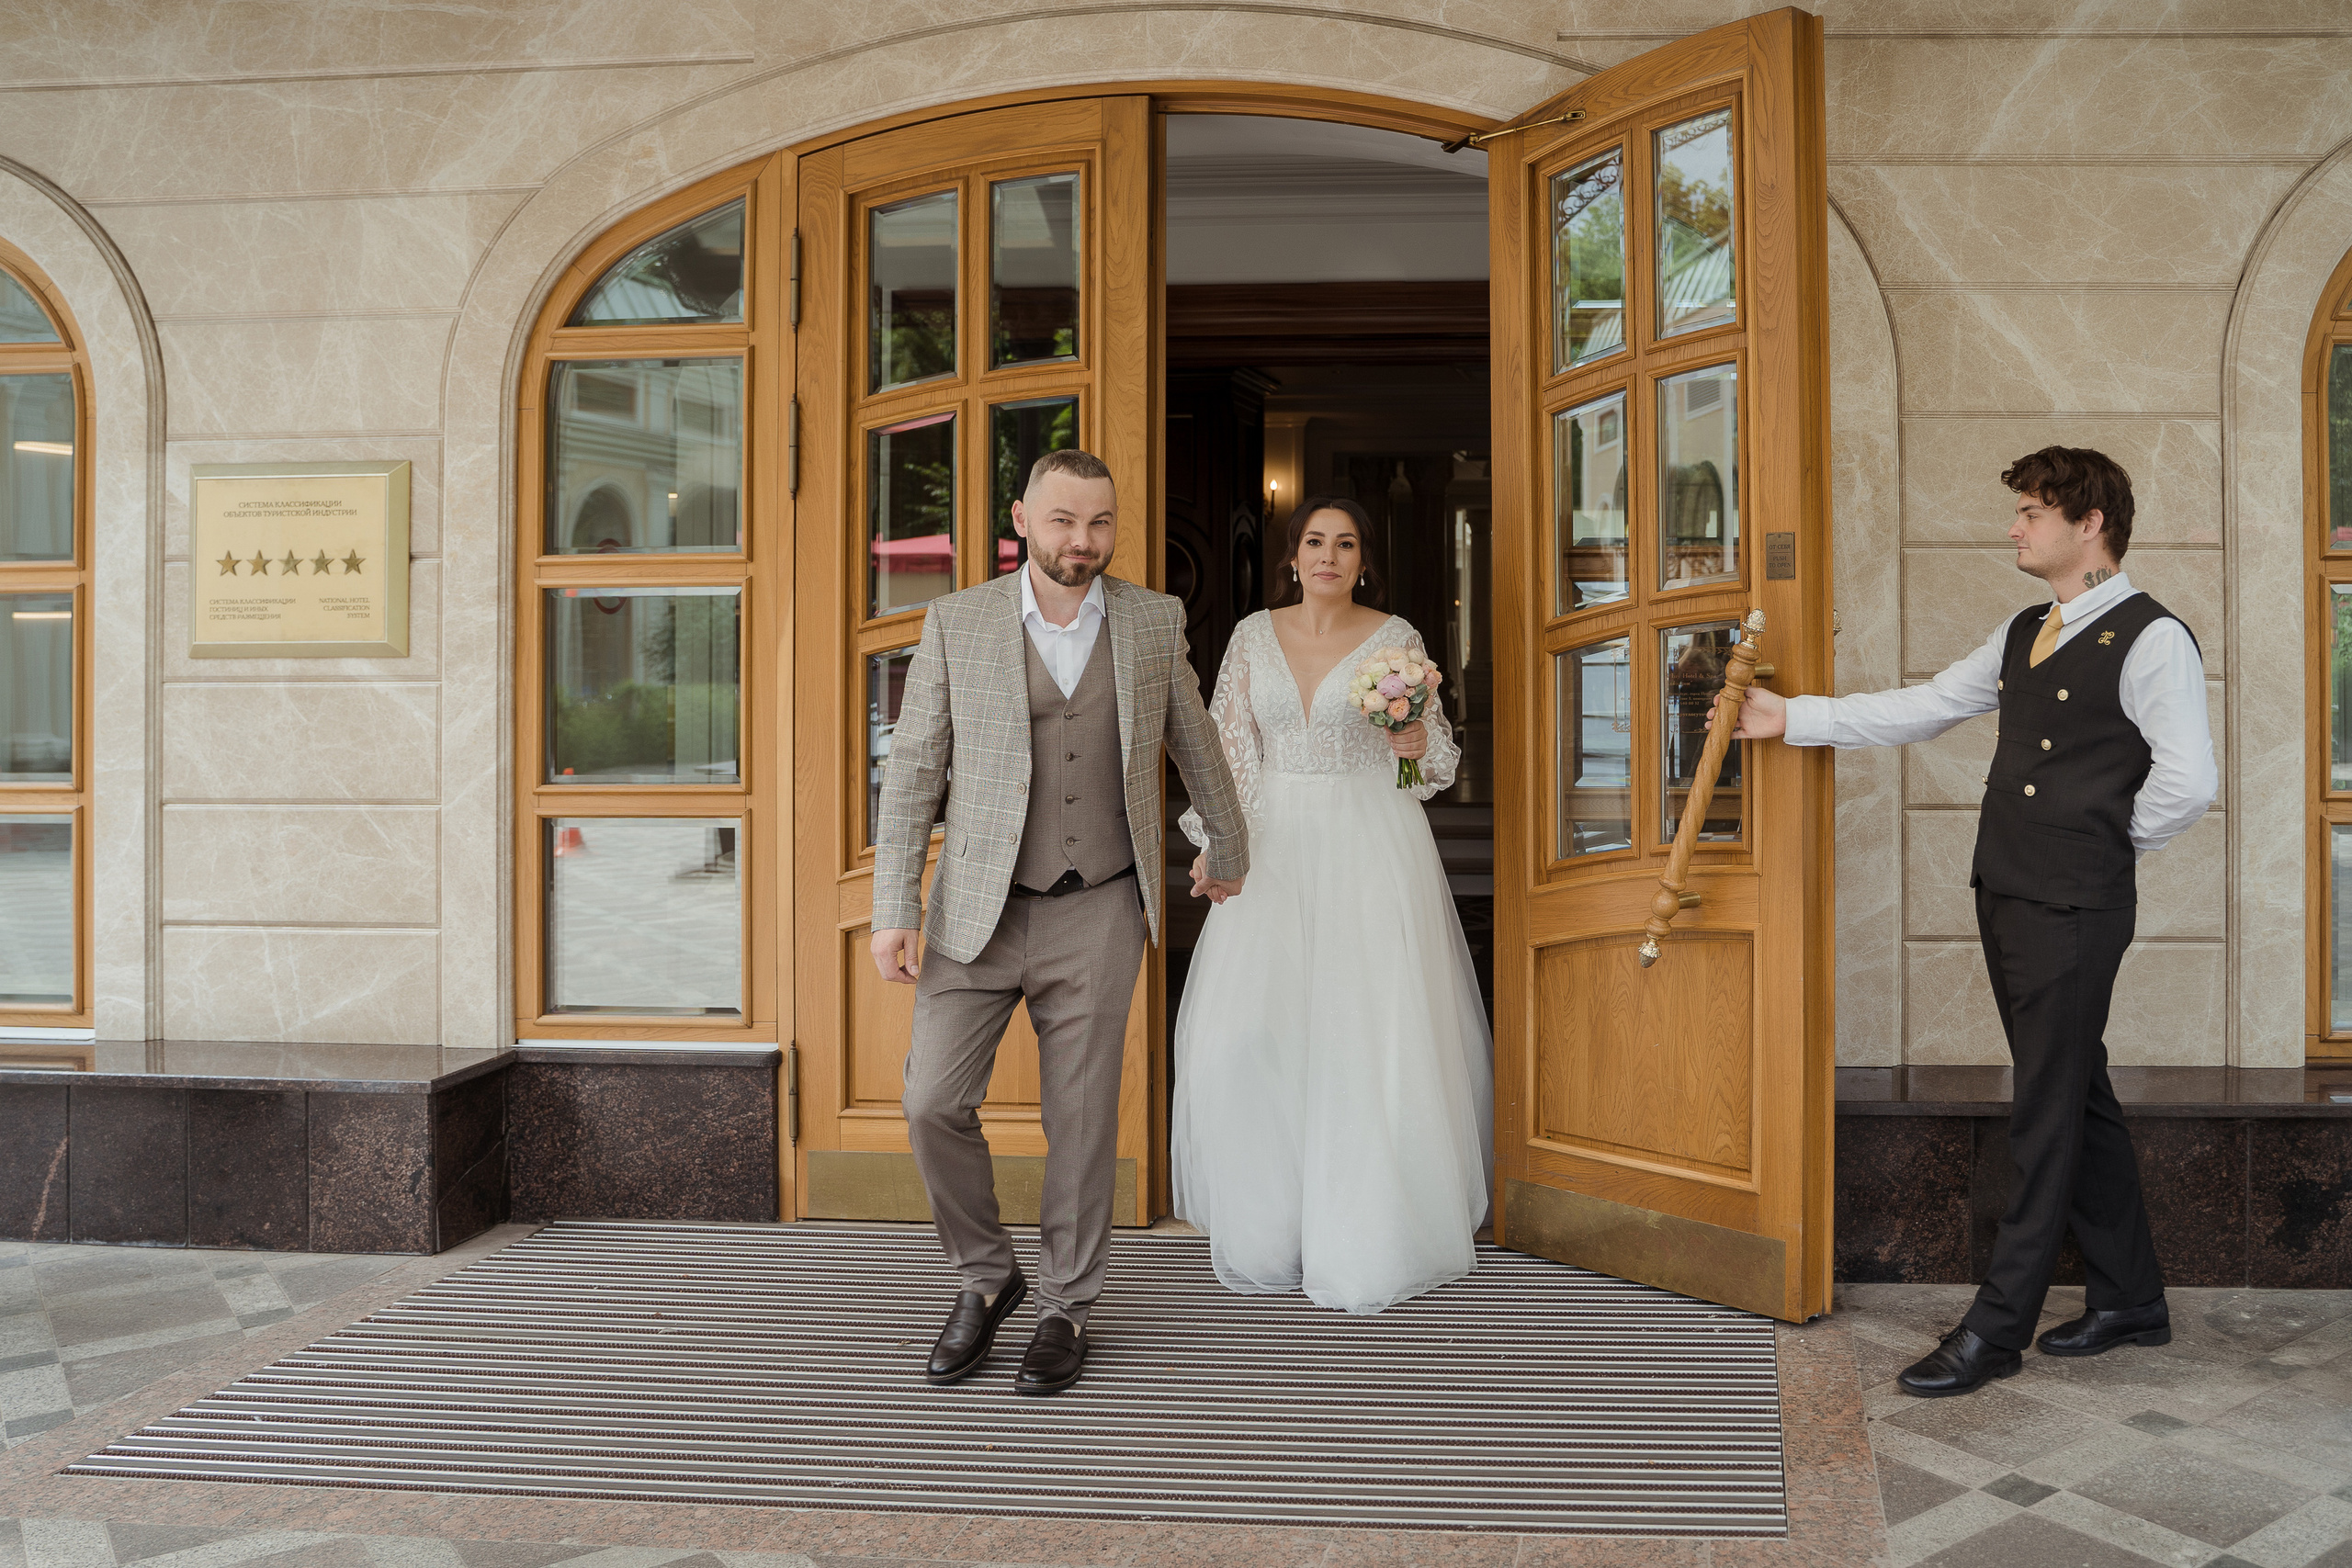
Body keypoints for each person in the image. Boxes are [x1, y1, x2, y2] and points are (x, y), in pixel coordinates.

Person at [1727, 446, 2215, 1397]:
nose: (2014, 527)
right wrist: (1795, 718)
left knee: (2042, 1109)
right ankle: (2128, 1298)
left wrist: (2101, 851)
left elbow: (2187, 783)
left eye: (2032, 512)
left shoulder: (2153, 639)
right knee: (2074, 1090)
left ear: (2089, 524)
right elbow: (1928, 706)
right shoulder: (2024, 627)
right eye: (2019, 511)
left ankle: (1994, 1331)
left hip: (2073, 903)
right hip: (2008, 891)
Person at [869, 448, 1249, 1396]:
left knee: (1079, 1125)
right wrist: (893, 909)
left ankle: (1067, 1304)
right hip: (976, 914)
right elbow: (913, 770)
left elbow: (1193, 740)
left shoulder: (1153, 621)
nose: (1083, 541)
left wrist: (1228, 846)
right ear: (1023, 520)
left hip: (1099, 907)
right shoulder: (960, 621)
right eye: (1063, 521)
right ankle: (987, 1278)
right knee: (930, 1103)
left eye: (1100, 523)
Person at [1170, 496, 1494, 1314]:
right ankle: (1273, 1223)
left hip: (1368, 845)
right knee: (1257, 1032)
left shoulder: (1397, 641)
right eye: (1315, 540)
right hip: (1273, 847)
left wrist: (1414, 746)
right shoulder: (1252, 634)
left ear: (1361, 560)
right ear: (1291, 555)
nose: (1328, 555)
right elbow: (1227, 752)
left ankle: (1369, 1228)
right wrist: (1215, 845)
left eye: (1345, 543)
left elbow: (1436, 764)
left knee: (1364, 1030)